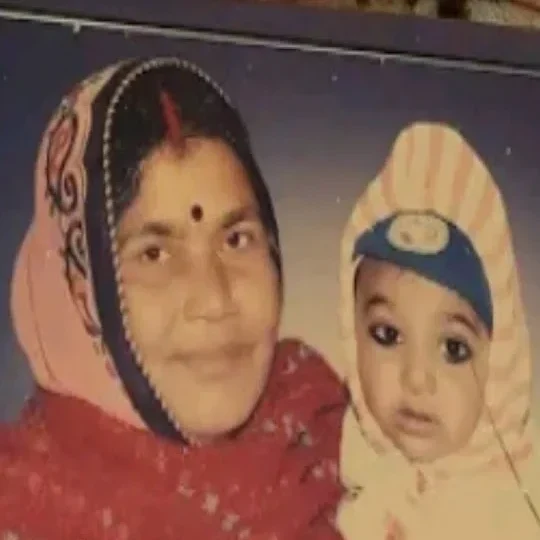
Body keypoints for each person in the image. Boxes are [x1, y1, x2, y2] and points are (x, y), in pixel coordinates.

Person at [0, 57, 346, 540]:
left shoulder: (349, 450)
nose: (213, 299)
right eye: (155, 253)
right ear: (77, 287)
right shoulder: (21, 512)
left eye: (237, 239)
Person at [336, 122, 540, 539]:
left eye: (453, 348)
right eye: (388, 336)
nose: (416, 379)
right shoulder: (361, 474)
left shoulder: (510, 511)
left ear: (499, 361)